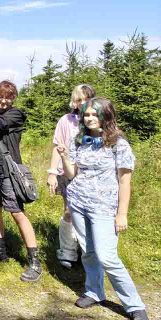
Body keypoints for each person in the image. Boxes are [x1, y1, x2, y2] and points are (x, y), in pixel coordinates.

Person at [57, 98, 148, 320]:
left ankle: (134, 304)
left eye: (94, 115)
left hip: (104, 207)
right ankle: (94, 292)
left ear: (105, 116)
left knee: (107, 256)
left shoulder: (119, 144)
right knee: (88, 251)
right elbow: (71, 174)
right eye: (86, 115)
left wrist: (122, 214)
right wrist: (65, 157)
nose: (89, 119)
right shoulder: (80, 140)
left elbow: (125, 181)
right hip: (78, 202)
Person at [0, 80, 42, 282]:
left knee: (16, 212)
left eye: (8, 97)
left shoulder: (16, 114)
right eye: (0, 96)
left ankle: (34, 262)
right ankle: (0, 252)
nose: (3, 101)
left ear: (13, 98)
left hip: (10, 170)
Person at [47, 84, 95, 268]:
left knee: (89, 213)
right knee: (69, 211)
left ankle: (88, 251)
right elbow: (57, 146)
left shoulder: (96, 119)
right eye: (79, 100)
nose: (82, 103)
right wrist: (52, 173)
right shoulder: (66, 121)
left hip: (90, 174)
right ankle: (67, 251)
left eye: (86, 99)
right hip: (66, 172)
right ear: (74, 102)